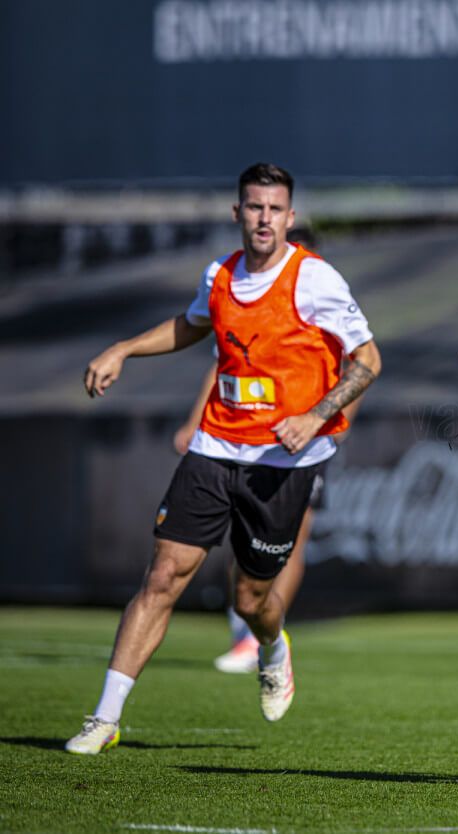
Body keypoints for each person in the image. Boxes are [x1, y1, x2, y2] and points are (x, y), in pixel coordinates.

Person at [67, 163, 381, 754]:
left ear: (290, 217)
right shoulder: (220, 274)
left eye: (275, 209)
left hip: (282, 463)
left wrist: (315, 417)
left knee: (251, 600)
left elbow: (368, 360)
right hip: (215, 445)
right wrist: (124, 349)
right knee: (162, 577)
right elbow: (191, 326)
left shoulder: (315, 280)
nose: (264, 218)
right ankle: (104, 718)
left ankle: (272, 646)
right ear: (237, 213)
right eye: (254, 207)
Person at [169, 227, 362, 675]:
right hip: (241, 438)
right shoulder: (248, 295)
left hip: (304, 445)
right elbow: (224, 364)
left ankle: (263, 638)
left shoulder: (323, 290)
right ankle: (245, 631)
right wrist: (196, 421)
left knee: (290, 542)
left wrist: (330, 424)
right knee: (240, 539)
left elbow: (362, 363)